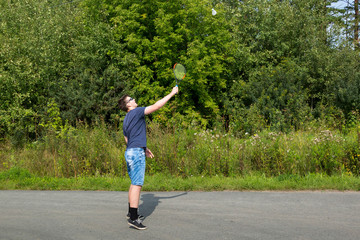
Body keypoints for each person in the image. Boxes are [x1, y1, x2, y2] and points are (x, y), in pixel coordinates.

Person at [118, 86, 178, 230]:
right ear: (128, 105)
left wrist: (143, 148)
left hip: (130, 152)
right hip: (136, 153)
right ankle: (133, 219)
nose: (134, 99)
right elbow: (157, 106)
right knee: (137, 184)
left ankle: (130, 213)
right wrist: (171, 93)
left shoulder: (126, 119)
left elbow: (127, 139)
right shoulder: (137, 111)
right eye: (131, 99)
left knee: (134, 183)